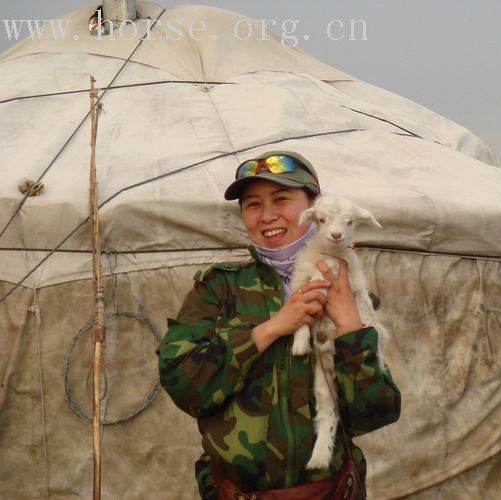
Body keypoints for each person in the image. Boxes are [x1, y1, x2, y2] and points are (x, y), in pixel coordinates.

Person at [157, 151, 401, 499]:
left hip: (331, 492)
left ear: (314, 207)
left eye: (281, 199)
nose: (267, 215)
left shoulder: (350, 291)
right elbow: (183, 385)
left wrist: (348, 321)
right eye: (252, 204)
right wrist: (270, 329)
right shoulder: (219, 288)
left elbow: (376, 412)